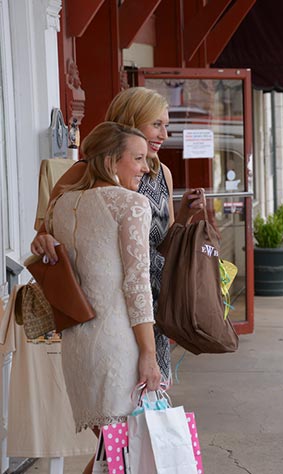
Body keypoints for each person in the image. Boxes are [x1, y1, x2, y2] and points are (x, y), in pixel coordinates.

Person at [30, 87, 206, 385]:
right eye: (157, 124)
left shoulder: (161, 172)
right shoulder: (84, 171)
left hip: (153, 303)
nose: (165, 134)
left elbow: (164, 245)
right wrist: (44, 241)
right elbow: (46, 232)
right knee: (121, 393)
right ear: (131, 122)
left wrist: (186, 215)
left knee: (151, 394)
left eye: (166, 125)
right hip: (110, 305)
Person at [47, 122, 161, 474]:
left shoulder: (61, 205)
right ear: (112, 162)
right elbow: (137, 284)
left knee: (113, 455)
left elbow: (46, 255)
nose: (145, 168)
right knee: (121, 454)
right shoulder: (132, 204)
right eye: (138, 159)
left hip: (78, 346)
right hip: (117, 345)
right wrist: (149, 354)